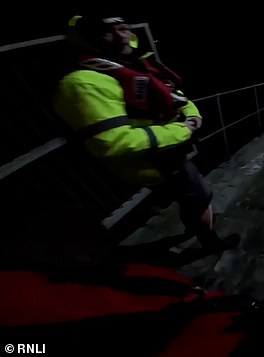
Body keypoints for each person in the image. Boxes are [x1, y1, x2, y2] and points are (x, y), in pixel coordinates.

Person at [52, 14, 239, 255]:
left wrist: (193, 114)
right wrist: (182, 130)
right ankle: (209, 242)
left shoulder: (134, 63)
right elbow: (111, 142)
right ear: (90, 39)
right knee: (200, 194)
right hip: (153, 161)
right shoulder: (83, 83)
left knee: (193, 197)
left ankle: (198, 217)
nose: (122, 33)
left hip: (171, 150)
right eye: (108, 30)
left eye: (123, 26)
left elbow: (175, 94)